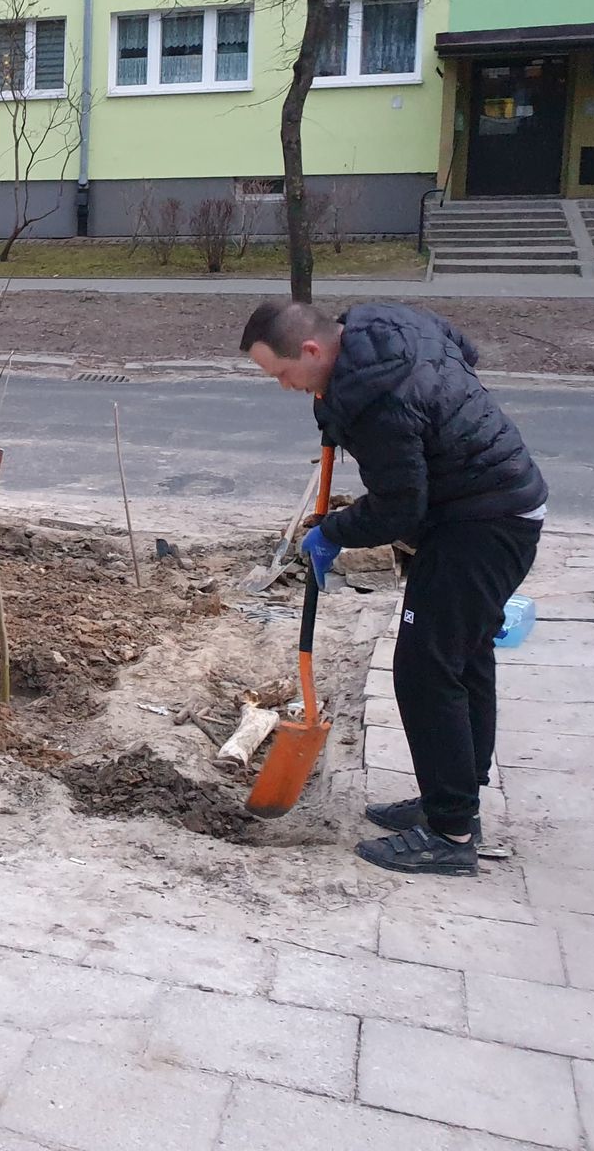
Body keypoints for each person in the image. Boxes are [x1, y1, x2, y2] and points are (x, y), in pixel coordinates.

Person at [241, 298, 546, 877]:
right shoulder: (381, 326)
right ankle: (455, 799)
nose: (285, 388)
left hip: (482, 522)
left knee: (425, 669)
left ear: (310, 350)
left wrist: (334, 530)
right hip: (505, 498)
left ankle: (450, 835)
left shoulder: (377, 402)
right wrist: (334, 409)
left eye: (282, 375)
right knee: (465, 654)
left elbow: (401, 508)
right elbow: (463, 347)